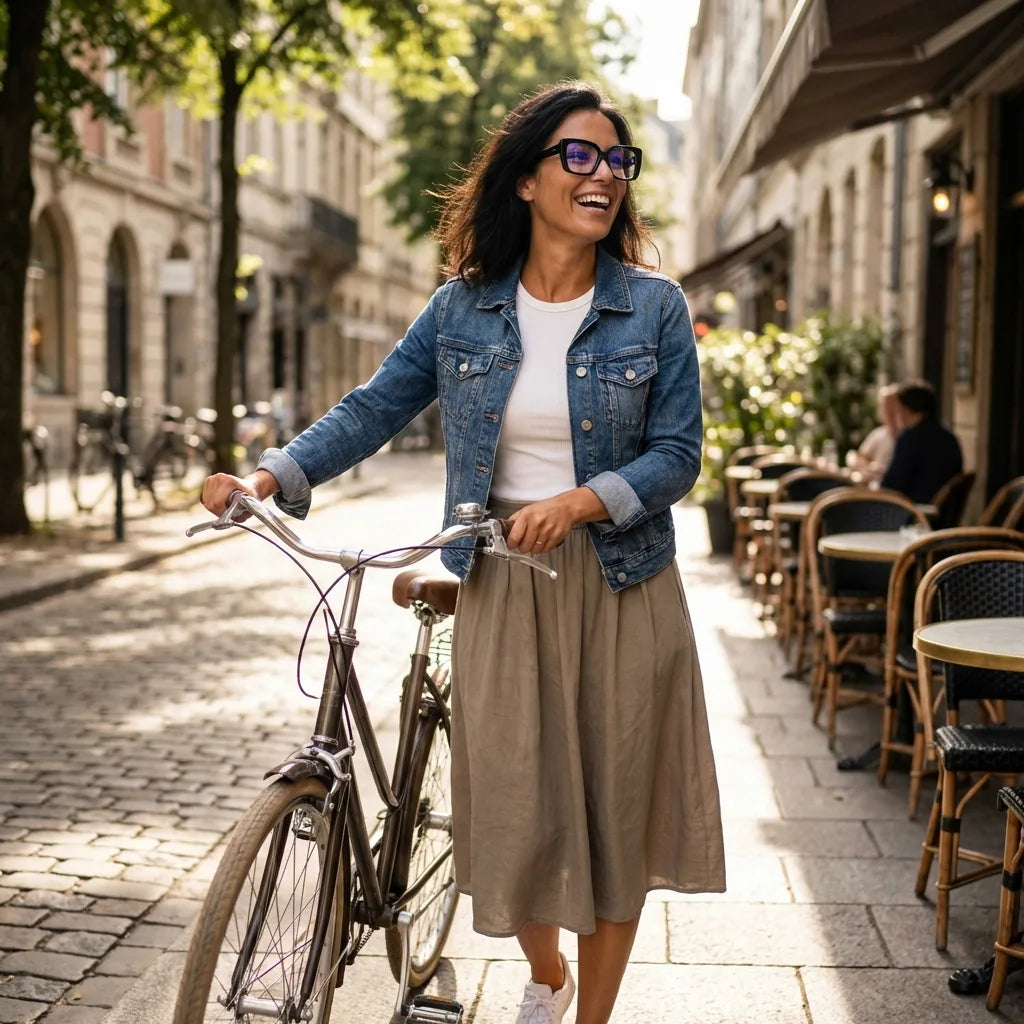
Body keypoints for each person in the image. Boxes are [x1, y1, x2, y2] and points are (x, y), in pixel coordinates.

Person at [201, 80, 725, 1024]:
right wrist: (269, 476)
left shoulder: (654, 307)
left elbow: (678, 454)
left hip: (621, 587)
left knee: (611, 819)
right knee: (518, 807)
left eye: (617, 160)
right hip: (501, 582)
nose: (603, 173)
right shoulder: (462, 310)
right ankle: (549, 976)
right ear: (526, 179)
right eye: (579, 155)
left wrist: (580, 503)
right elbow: (373, 407)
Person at [880, 379, 963, 503]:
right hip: (942, 514)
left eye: (898, 408)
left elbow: (891, 485)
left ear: (906, 409)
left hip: (911, 511)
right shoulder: (949, 437)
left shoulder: (910, 438)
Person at [850, 383, 899, 482]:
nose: (887, 411)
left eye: (891, 406)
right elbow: (859, 457)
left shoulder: (908, 436)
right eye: (884, 406)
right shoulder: (878, 434)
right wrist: (869, 467)